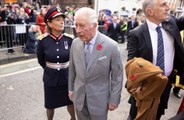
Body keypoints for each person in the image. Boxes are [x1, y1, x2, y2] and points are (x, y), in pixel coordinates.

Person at [126, 0, 184, 120]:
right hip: (145, 87)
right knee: (138, 116)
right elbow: (131, 64)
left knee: (157, 114)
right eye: (163, 5)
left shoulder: (172, 23)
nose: (168, 8)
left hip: (165, 84)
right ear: (150, 11)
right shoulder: (136, 34)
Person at [68, 7, 123, 120]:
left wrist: (114, 99)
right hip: (79, 99)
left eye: (82, 26)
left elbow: (117, 76)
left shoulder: (111, 46)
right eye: (76, 25)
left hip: (100, 101)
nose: (77, 30)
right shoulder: (75, 43)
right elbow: (72, 69)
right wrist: (71, 89)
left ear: (94, 25)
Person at [36, 5, 76, 120]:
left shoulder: (69, 39)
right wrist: (51, 69)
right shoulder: (43, 41)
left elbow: (73, 59)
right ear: (49, 23)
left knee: (70, 102)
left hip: (67, 77)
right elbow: (41, 60)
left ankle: (73, 118)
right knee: (50, 105)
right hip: (50, 78)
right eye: (57, 20)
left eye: (62, 20)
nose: (61, 22)